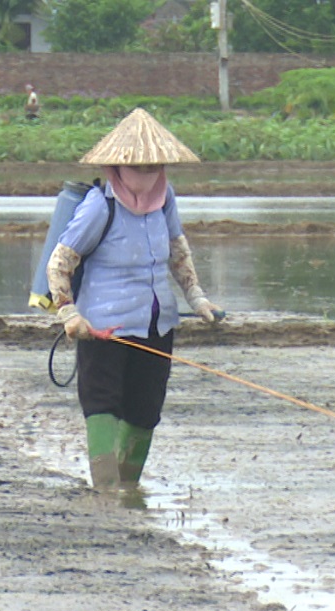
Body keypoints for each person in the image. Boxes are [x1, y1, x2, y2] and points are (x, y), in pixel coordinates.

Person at [45, 108, 223, 492]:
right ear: (118, 167)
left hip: (157, 323)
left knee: (146, 409)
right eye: (139, 167)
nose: (148, 175)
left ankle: (130, 488)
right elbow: (59, 264)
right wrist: (70, 314)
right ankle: (106, 492)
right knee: (102, 402)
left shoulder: (165, 197)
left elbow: (177, 250)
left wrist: (198, 298)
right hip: (102, 326)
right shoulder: (99, 205)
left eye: (154, 167)